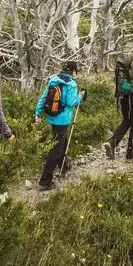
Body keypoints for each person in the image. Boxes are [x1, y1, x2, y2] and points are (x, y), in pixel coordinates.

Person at [34, 61, 84, 191]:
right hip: (63, 119)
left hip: (52, 117)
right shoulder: (71, 84)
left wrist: (38, 113)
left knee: (61, 141)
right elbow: (71, 102)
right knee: (56, 148)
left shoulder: (54, 80)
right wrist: (80, 96)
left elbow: (44, 97)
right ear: (73, 71)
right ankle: (45, 181)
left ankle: (64, 166)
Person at [103, 44, 133, 161]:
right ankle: (130, 154)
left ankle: (112, 143)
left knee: (127, 120)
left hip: (124, 96)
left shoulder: (129, 63)